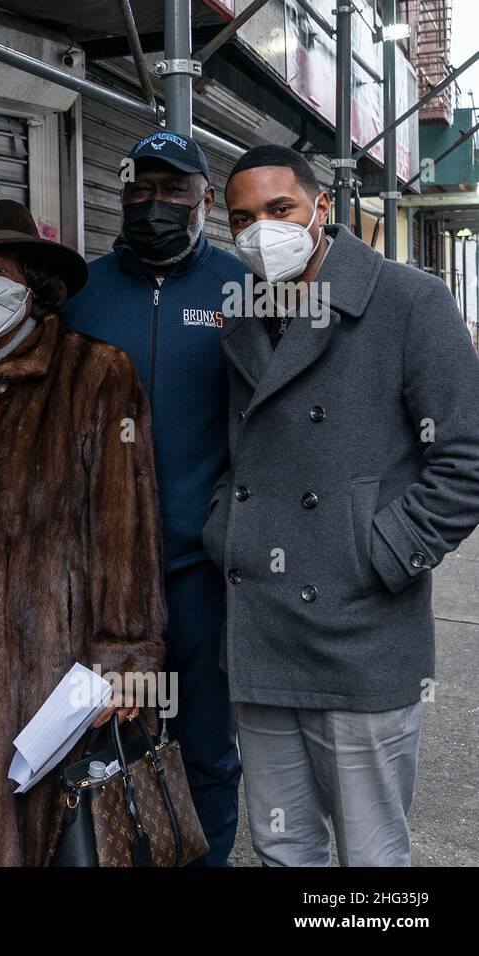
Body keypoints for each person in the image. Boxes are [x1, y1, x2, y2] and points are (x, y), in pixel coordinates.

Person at [207, 145, 479, 866]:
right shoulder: (243, 315)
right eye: (242, 218)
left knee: (371, 853)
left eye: (279, 209)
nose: (261, 230)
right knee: (281, 843)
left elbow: (466, 458)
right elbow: (240, 455)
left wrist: (381, 552)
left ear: (321, 207)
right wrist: (226, 532)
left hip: (362, 637)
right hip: (264, 628)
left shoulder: (408, 300)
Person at [0, 200, 166, 866]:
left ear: (33, 283)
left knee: (46, 826)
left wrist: (125, 658)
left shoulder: (98, 372)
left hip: (51, 658)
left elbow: (126, 526)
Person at [61, 132, 247, 866]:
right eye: (141, 189)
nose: (156, 205)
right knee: (98, 744)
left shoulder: (242, 289)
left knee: (204, 745)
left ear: (206, 200)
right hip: (95, 574)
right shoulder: (81, 291)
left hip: (201, 569)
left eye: (175, 191)